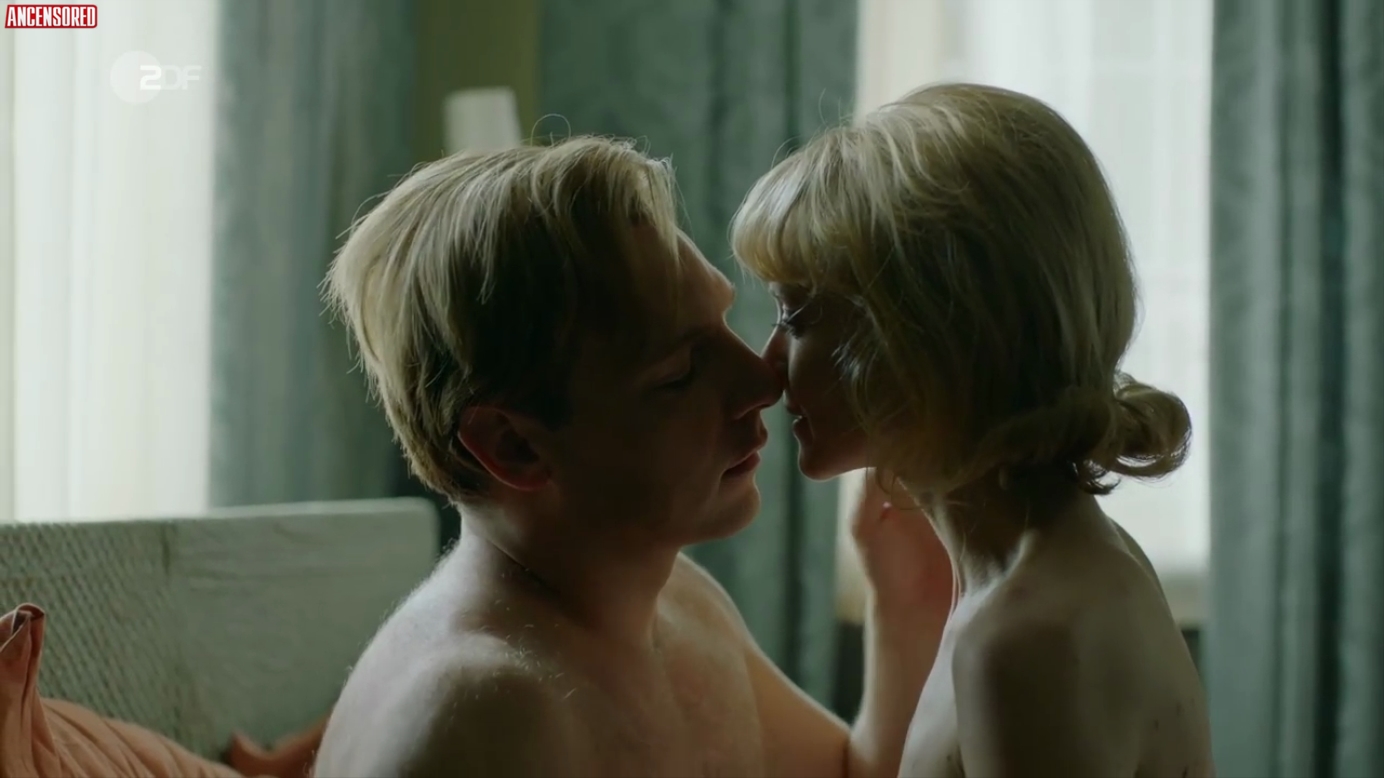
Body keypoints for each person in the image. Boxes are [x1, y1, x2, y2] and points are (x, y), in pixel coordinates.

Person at [313, 136, 949, 778]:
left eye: (722, 325)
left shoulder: (676, 599)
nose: (760, 382)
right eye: (679, 372)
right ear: (515, 446)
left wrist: (904, 597)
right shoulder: (485, 716)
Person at [730, 82, 1216, 778]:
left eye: (797, 316)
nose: (767, 364)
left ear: (927, 337)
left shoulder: (1022, 645)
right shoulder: (1072, 567)